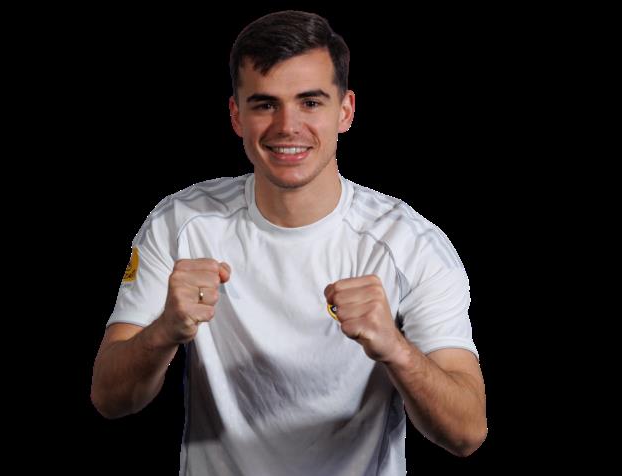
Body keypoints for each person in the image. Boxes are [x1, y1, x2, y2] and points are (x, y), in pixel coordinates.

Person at [91, 10, 487, 475]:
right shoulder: (180, 223)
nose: (287, 126)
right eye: (265, 105)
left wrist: (394, 347)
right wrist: (164, 331)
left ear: (346, 111)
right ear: (236, 116)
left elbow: (466, 433)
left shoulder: (410, 244)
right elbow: (109, 399)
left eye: (310, 102)